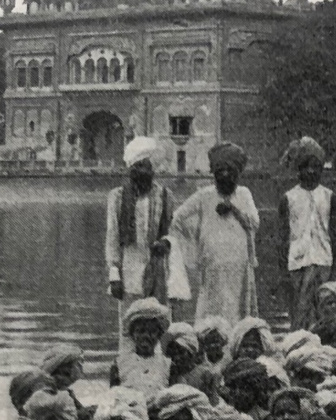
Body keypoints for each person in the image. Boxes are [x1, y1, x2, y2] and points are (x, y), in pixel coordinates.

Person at [169, 141, 261, 326]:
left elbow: (254, 222)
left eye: (230, 171)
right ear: (213, 173)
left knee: (237, 309)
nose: (225, 175)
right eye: (220, 171)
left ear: (238, 173)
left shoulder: (243, 194)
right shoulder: (204, 195)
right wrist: (195, 243)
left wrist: (233, 209)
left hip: (239, 265)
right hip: (212, 263)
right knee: (212, 310)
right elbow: (177, 218)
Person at [278, 138, 336, 330]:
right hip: (297, 262)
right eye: (306, 167)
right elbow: (283, 236)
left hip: (323, 260)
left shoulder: (329, 196)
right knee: (300, 309)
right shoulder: (289, 198)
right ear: (298, 169)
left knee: (324, 308)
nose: (311, 171)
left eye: (316, 167)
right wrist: (283, 271)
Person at [105, 136, 174, 308]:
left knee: (158, 320)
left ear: (152, 170)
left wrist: (166, 242)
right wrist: (114, 276)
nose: (143, 172)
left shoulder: (165, 196)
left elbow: (174, 232)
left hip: (158, 269)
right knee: (130, 323)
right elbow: (113, 236)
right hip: (129, 271)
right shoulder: (118, 197)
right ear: (131, 171)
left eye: (146, 167)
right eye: (138, 167)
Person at [109, 299, 171, 400]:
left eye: (152, 331)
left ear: (159, 335)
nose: (146, 336)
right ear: (132, 334)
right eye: (140, 331)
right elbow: (112, 401)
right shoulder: (119, 364)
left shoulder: (167, 365)